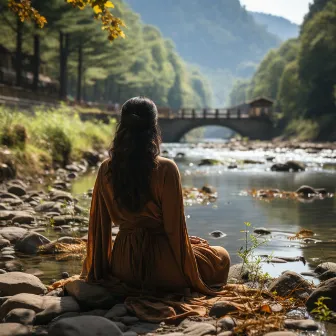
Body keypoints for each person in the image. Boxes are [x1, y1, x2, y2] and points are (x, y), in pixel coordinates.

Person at [82, 96, 230, 295]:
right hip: (162, 265)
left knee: (200, 249)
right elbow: (172, 228)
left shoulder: (106, 169)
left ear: (122, 126)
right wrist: (186, 252)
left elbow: (100, 226)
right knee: (221, 256)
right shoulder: (166, 168)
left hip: (123, 264)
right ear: (154, 127)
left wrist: (99, 269)